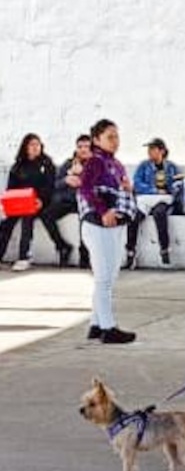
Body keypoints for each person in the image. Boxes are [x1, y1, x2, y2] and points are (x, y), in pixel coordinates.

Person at [78, 120, 136, 344]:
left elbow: (121, 189)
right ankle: (108, 327)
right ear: (96, 139)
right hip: (98, 225)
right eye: (110, 137)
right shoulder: (95, 161)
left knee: (109, 277)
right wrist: (103, 211)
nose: (115, 141)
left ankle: (96, 323)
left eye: (117, 136)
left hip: (114, 226)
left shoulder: (116, 164)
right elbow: (85, 188)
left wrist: (128, 189)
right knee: (103, 277)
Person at [1, 133, 74, 270]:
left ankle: (24, 257)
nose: (35, 147)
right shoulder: (18, 166)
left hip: (41, 202)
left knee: (27, 218)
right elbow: (11, 189)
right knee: (6, 223)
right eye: (32, 144)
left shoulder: (46, 164)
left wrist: (40, 200)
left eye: (38, 144)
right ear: (25, 147)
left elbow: (50, 186)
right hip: (20, 202)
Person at [126, 138, 181, 268]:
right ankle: (130, 252)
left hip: (163, 200)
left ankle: (164, 250)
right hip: (146, 199)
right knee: (133, 218)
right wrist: (154, 190)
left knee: (160, 213)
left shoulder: (171, 167)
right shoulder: (143, 166)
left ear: (161, 151)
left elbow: (176, 184)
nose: (149, 152)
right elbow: (137, 183)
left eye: (152, 149)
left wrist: (170, 189)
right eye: (149, 149)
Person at [50, 135, 93, 268]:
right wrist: (66, 180)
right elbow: (54, 184)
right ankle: (62, 246)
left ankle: (84, 256)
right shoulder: (69, 163)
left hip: (86, 202)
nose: (83, 150)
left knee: (85, 218)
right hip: (67, 201)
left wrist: (83, 175)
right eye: (80, 147)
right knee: (46, 214)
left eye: (86, 146)